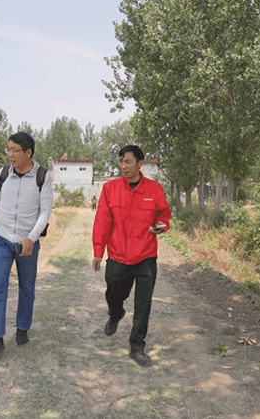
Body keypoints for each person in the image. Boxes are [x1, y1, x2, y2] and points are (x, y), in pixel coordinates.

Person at [92, 145, 171, 367]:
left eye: (128, 161)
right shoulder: (111, 188)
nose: (123, 166)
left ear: (140, 163)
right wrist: (98, 251)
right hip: (118, 255)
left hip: (146, 256)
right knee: (113, 293)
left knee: (143, 304)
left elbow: (164, 215)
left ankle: (137, 346)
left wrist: (160, 226)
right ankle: (115, 314)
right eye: (121, 162)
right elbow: (102, 221)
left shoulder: (154, 189)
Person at [0, 132, 54, 359]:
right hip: (1, 238)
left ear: (28, 152)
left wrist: (31, 238)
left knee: (27, 287)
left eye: (15, 150)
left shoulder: (42, 176)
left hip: (27, 242)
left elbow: (45, 212)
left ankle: (22, 327)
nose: (10, 154)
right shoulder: (3, 173)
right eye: (8, 149)